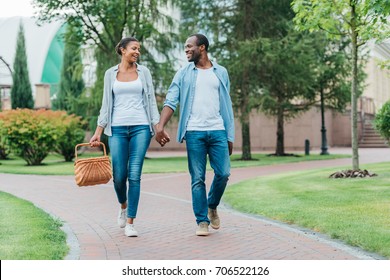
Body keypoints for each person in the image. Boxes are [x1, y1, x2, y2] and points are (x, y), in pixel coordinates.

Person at [156, 33, 235, 236]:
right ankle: (202, 221)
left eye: (190, 46)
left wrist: (230, 135)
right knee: (197, 178)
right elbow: (171, 100)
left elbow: (227, 105)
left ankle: (212, 205)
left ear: (202, 48)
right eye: (185, 47)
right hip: (194, 132)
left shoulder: (221, 72)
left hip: (218, 130)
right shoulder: (183, 73)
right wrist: (160, 125)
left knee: (224, 173)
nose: (186, 50)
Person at [89, 37, 166, 237]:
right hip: (117, 130)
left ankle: (131, 221)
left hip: (141, 127)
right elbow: (106, 104)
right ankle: (123, 206)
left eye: (139, 49)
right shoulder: (110, 74)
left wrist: (157, 128)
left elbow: (150, 102)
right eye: (133, 48)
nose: (137, 52)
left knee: (134, 175)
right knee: (119, 177)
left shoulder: (144, 73)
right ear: (122, 50)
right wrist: (98, 132)